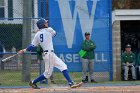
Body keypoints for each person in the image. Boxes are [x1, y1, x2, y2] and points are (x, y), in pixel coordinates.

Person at [18, 18, 83, 89]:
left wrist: (24, 50)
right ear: (42, 25)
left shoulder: (37, 34)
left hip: (50, 54)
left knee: (63, 66)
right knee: (47, 74)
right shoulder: (49, 29)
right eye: (45, 23)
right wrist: (44, 30)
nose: (47, 23)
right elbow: (55, 34)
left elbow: (31, 46)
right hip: (48, 55)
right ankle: (33, 82)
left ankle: (71, 83)